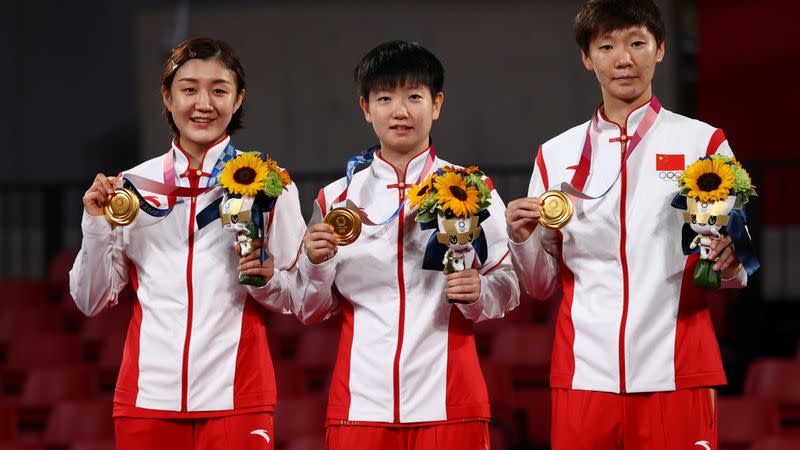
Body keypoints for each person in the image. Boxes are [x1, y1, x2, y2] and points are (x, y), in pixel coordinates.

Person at [505, 1, 757, 449]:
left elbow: (734, 267)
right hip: (584, 373)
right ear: (588, 58)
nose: (624, 59)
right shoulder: (555, 154)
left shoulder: (703, 142)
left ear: (659, 49)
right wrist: (522, 240)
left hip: (677, 369)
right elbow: (541, 285)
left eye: (637, 43)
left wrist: (730, 260)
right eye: (607, 46)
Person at [69, 37, 305, 450]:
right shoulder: (131, 188)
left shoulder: (271, 184)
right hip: (146, 400)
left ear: (238, 99)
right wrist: (95, 224)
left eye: (219, 89)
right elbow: (91, 300)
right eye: (189, 88)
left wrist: (266, 280)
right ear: (167, 96)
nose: (203, 103)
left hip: (238, 397)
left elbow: (301, 299)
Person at [291, 40, 519, 449]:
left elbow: (509, 282)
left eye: (414, 96)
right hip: (359, 409)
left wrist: (481, 292)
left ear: (437, 104)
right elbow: (310, 308)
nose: (400, 111)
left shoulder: (472, 189)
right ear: (365, 108)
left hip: (451, 403)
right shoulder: (334, 200)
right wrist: (315, 263)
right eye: (385, 98)